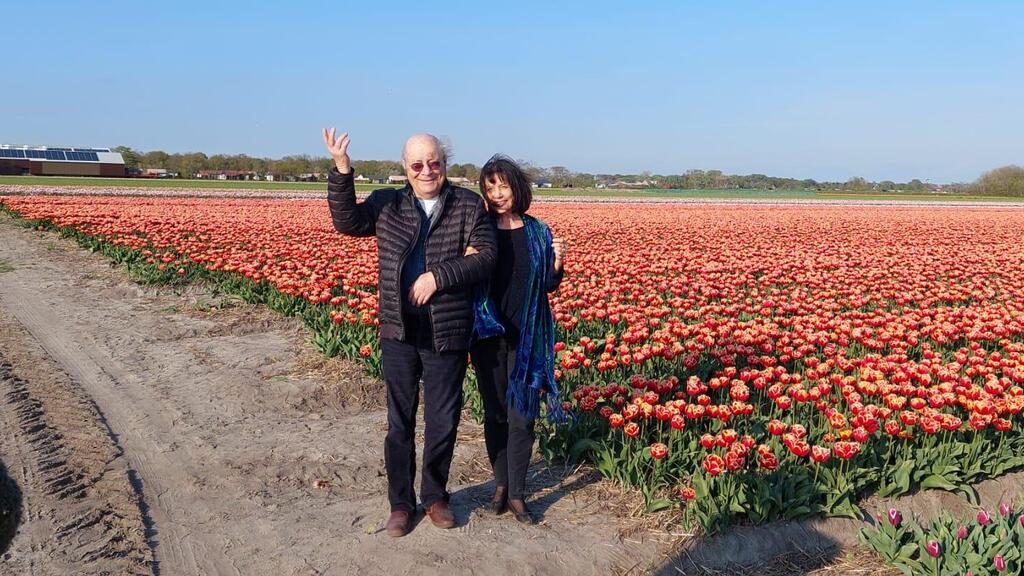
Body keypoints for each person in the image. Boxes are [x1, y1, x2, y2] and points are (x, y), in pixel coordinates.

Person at [322, 129, 496, 537]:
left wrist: (439, 275)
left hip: (446, 330)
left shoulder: (468, 206)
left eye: (433, 162)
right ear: (405, 168)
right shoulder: (388, 203)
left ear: (445, 164)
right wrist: (342, 169)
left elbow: (487, 257)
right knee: (398, 423)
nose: (426, 170)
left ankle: (435, 496)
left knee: (442, 420)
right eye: (417, 164)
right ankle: (400, 505)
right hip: (398, 330)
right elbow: (346, 222)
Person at [467, 154, 567, 524]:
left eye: (502, 184)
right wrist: (466, 259)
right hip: (488, 336)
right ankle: (500, 485)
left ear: (517, 187)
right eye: (489, 186)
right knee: (495, 414)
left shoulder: (539, 231)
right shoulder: (479, 230)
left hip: (528, 337)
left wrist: (557, 265)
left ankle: (519, 494)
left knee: (522, 417)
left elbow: (547, 285)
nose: (496, 193)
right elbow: (468, 276)